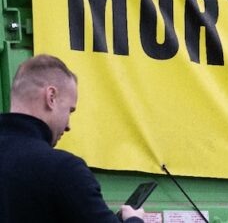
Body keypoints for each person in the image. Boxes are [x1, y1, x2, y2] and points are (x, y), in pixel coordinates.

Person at [0, 54, 146, 222]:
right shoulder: (63, 169)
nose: (68, 125)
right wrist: (134, 219)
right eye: (70, 110)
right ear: (51, 97)